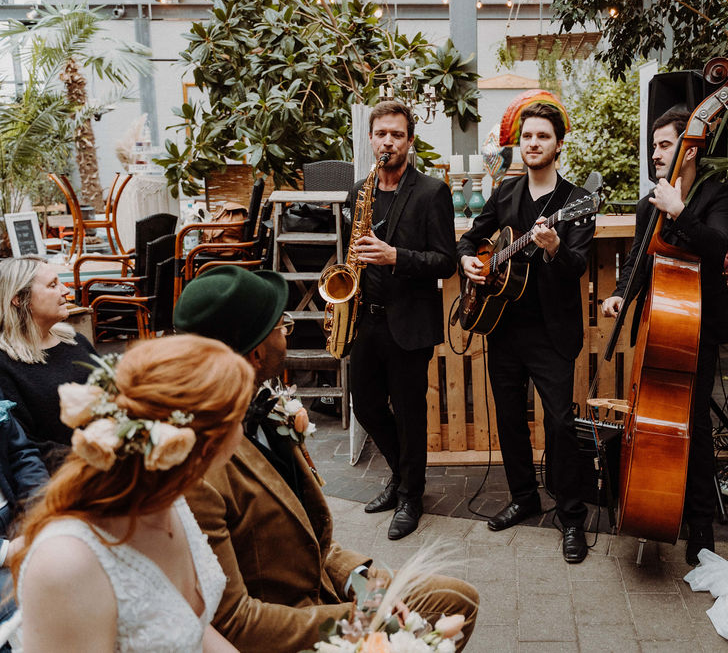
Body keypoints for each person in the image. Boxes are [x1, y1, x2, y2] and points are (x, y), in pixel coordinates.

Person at [174, 266, 477, 653]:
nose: (288, 330)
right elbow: (238, 623)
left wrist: (368, 589)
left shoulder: (265, 409)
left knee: (458, 601)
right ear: (254, 353)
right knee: (427, 628)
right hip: (290, 627)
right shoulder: (198, 471)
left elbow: (316, 544)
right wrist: (365, 621)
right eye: (281, 325)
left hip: (327, 589)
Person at [11, 334, 254, 652]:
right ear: (207, 447)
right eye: (240, 419)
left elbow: (189, 628)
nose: (244, 431)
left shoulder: (170, 500)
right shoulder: (67, 564)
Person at [457, 102, 595, 564]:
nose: (533, 143)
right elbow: (471, 238)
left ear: (558, 144)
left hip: (552, 334)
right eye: (528, 136)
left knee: (559, 423)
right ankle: (524, 497)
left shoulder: (577, 202)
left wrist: (554, 248)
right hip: (503, 327)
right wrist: (472, 262)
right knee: (510, 418)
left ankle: (572, 517)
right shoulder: (506, 193)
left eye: (543, 137)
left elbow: (578, 266)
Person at [601, 109, 728, 565]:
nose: (655, 153)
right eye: (655, 145)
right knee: (657, 423)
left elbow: (717, 247)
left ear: (690, 147)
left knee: (695, 427)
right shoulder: (647, 204)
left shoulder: (716, 194)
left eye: (664, 144)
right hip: (660, 323)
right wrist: (621, 294)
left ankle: (700, 526)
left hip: (697, 326)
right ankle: (653, 502)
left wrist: (678, 212)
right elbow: (641, 259)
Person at [349, 100, 457, 540]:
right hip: (365, 320)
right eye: (381, 134)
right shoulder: (359, 191)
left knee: (411, 415)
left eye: (397, 134)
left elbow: (446, 262)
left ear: (410, 141)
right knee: (367, 406)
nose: (388, 141)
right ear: (371, 139)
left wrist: (396, 257)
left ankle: (412, 493)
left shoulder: (432, 192)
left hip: (409, 323)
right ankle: (401, 475)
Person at [0, 256, 98, 470]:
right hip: (66, 477)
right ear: (19, 299)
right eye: (53, 285)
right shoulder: (5, 364)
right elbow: (23, 444)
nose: (65, 291)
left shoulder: (75, 342)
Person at [0, 397, 49, 646]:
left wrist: (36, 515)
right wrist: (5, 552)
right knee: (21, 615)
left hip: (17, 512)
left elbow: (23, 455)